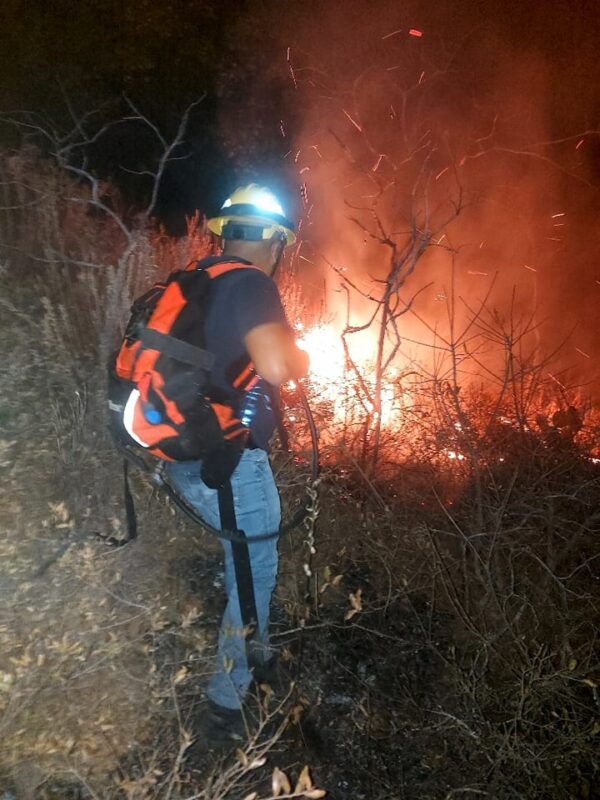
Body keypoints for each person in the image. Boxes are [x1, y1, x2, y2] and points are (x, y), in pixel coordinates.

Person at [165, 185, 309, 738]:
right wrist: (300, 355)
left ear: (224, 232)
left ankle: (259, 647)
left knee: (245, 565)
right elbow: (276, 365)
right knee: (255, 571)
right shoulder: (252, 283)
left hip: (185, 453)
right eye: (279, 242)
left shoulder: (199, 278)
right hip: (230, 463)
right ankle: (226, 705)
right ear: (272, 240)